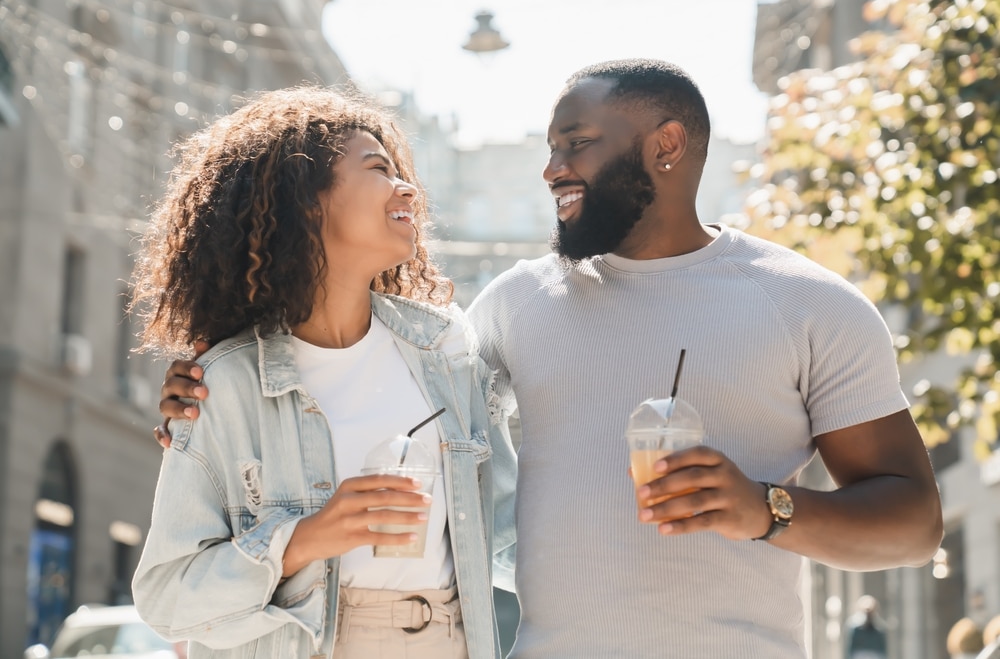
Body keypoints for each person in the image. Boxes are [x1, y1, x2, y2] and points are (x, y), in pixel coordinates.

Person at [155, 59, 943, 658]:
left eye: (577, 144)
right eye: (549, 147)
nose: (552, 169)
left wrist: (764, 509)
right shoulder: (500, 312)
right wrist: (206, 392)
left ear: (666, 146)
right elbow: (372, 387)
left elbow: (912, 524)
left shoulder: (811, 305)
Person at [130, 86, 516, 659]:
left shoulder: (446, 347)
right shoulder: (224, 383)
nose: (407, 187)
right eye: (378, 169)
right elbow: (166, 599)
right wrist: (307, 539)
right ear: (307, 201)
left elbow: (508, 527)